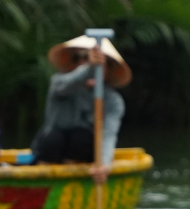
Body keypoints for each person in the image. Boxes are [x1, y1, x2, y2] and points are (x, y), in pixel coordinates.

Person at [31, 35, 131, 176]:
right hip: (50, 149)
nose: (94, 64)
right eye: (84, 58)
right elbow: (65, 85)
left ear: (108, 68)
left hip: (85, 152)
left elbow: (108, 134)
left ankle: (74, 170)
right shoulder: (59, 83)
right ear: (75, 62)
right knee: (54, 136)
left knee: (81, 136)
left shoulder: (113, 101)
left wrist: (104, 164)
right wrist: (89, 68)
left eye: (102, 61)